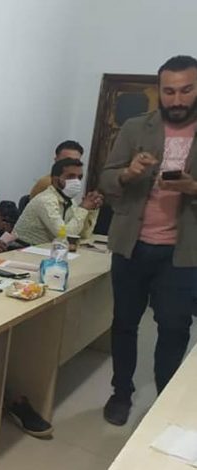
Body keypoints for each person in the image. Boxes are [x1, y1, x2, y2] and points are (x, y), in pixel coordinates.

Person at [99, 55, 197, 426]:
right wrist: (128, 173)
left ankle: (163, 403)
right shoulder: (135, 127)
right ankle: (120, 392)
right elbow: (106, 179)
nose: (177, 100)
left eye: (186, 90)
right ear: (159, 90)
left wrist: (192, 188)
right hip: (131, 245)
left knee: (174, 328)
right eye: (169, 91)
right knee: (124, 323)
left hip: (182, 253)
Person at [14, 158, 103, 246]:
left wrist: (91, 210)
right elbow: (65, 236)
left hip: (47, 248)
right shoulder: (46, 200)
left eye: (79, 177)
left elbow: (83, 235)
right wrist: (83, 208)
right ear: (55, 180)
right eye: (70, 176)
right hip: (23, 248)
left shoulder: (70, 200)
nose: (76, 181)